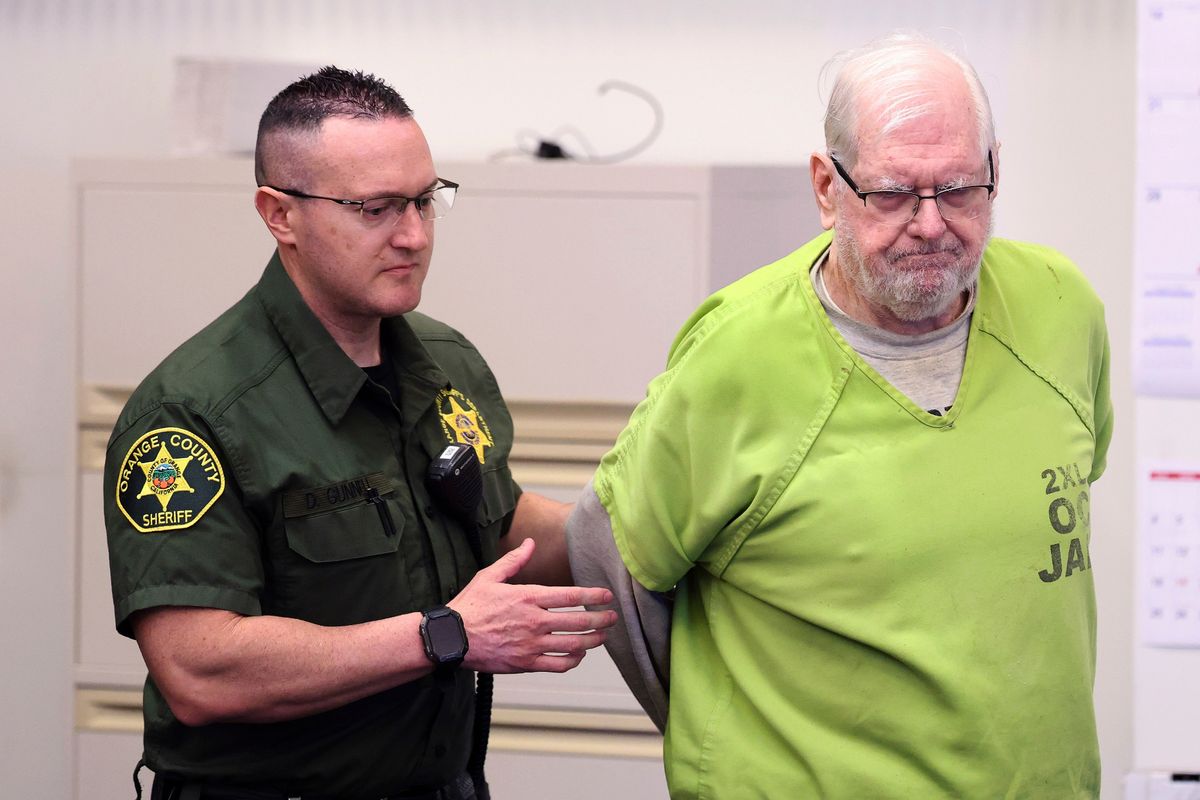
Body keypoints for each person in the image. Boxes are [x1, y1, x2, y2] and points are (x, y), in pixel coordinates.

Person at [567, 32, 1113, 799]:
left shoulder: (1061, 308)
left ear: (996, 170)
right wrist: (717, 731)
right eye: (892, 193)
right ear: (827, 188)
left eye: (960, 188)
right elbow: (611, 554)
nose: (931, 224)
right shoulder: (738, 355)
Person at [103, 66, 617, 800]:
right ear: (280, 214)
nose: (413, 236)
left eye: (425, 201)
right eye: (375, 209)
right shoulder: (190, 413)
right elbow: (200, 670)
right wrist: (445, 634)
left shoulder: (445, 362)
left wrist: (635, 522)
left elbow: (495, 524)